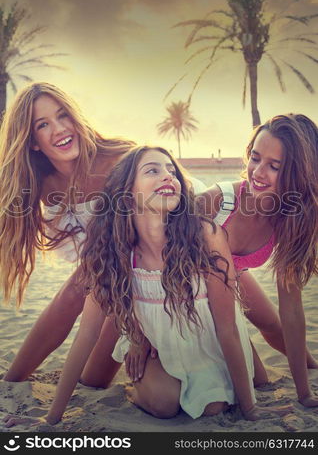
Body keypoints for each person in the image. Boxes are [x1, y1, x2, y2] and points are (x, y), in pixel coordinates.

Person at [4, 145, 292, 427]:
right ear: (128, 192)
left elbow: (227, 328)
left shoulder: (207, 235)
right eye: (152, 170)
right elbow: (86, 335)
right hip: (159, 343)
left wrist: (251, 409)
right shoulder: (112, 251)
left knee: (214, 408)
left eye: (171, 171)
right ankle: (135, 385)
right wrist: (52, 417)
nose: (168, 176)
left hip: (212, 340)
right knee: (164, 404)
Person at [0, 82, 135, 386]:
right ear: (32, 141)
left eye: (63, 116)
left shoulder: (118, 161)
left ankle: (11, 381)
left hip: (165, 261)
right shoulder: (41, 183)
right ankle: (12, 384)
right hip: (114, 281)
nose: (59, 129)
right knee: (93, 382)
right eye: (43, 124)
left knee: (268, 324)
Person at [197, 114, 318, 408]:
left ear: (299, 174)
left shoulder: (289, 220)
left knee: (276, 326)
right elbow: (150, 250)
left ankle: (313, 371)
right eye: (255, 158)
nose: (258, 172)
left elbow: (292, 308)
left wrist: (305, 394)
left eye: (274, 166)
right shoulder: (217, 200)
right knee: (259, 380)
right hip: (190, 289)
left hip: (231, 276)